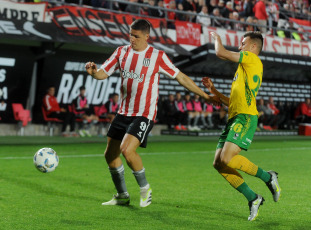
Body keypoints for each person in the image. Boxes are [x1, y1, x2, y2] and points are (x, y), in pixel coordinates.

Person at [85, 19, 218, 208]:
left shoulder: (157, 56)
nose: (132, 39)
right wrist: (93, 72)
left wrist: (204, 95)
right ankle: (122, 195)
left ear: (147, 36)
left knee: (127, 150)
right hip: (123, 112)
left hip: (144, 113)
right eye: (130, 35)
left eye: (136, 36)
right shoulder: (121, 52)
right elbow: (102, 74)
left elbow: (180, 77)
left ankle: (145, 188)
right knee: (110, 155)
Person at [202, 31, 281, 221]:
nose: (240, 47)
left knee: (227, 158)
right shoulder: (243, 69)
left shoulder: (251, 59)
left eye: (243, 43)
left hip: (245, 118)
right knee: (218, 164)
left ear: (253, 47)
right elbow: (232, 103)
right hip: (234, 117)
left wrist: (216, 38)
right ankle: (253, 198)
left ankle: (268, 177)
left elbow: (221, 53)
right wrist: (215, 92)